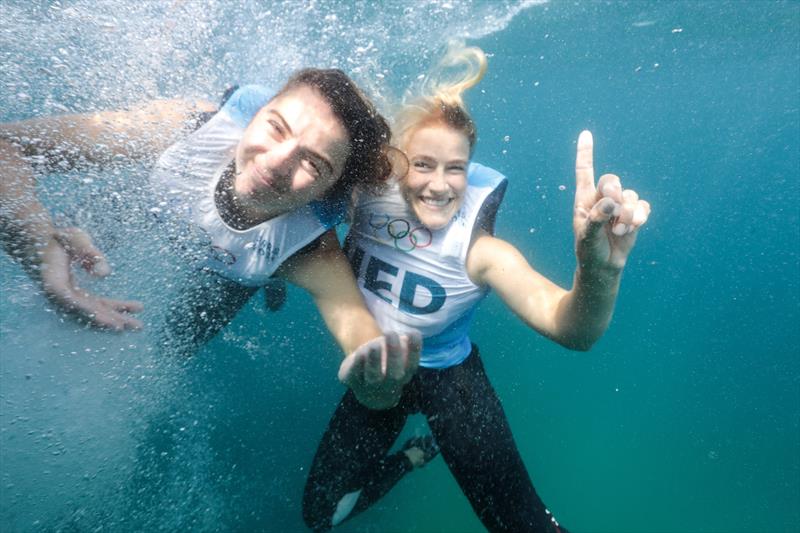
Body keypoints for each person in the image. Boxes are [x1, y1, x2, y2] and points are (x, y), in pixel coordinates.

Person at [302, 43, 651, 532]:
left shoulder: (481, 253)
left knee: (522, 526)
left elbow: (574, 330)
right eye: (423, 164)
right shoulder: (363, 197)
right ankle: (413, 458)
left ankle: (439, 444)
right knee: (320, 515)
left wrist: (599, 271)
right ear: (400, 162)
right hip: (379, 369)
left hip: (452, 382)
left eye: (456, 168)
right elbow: (295, 230)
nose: (440, 185)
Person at [0, 69, 420, 409]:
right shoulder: (182, 130)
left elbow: (362, 340)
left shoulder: (309, 251)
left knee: (170, 352)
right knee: (67, 247)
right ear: (255, 113)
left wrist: (378, 388)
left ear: (326, 191)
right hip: (157, 205)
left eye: (313, 162)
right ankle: (271, 277)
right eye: (276, 128)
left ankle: (272, 281)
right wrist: (41, 254)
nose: (275, 165)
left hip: (232, 273)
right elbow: (6, 143)